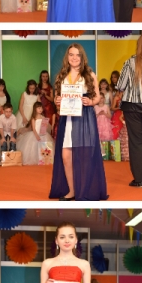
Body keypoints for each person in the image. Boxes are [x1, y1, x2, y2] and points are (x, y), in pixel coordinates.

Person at [48, 44, 108, 201]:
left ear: (82, 57)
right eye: (71, 54)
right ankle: (72, 191)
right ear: (67, 57)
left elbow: (97, 97)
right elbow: (56, 98)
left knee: (84, 156)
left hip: (84, 118)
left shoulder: (89, 75)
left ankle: (85, 190)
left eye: (77, 55)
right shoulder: (61, 76)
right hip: (67, 119)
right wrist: (57, 101)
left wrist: (90, 101)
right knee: (66, 156)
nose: (74, 58)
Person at [117, 33, 142, 188]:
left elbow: (120, 85)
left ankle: (139, 180)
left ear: (138, 46)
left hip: (132, 107)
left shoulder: (130, 62)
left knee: (136, 142)